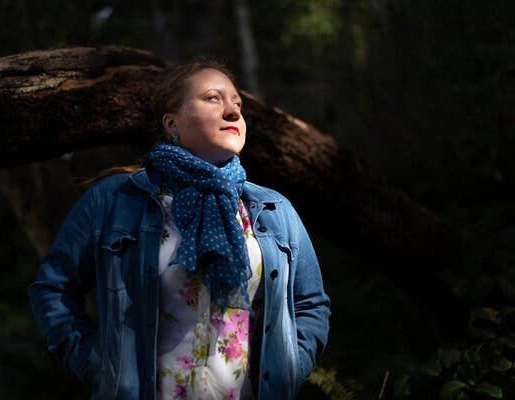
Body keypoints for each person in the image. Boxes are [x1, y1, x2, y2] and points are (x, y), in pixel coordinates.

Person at [28, 60, 331, 400]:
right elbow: (53, 288)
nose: (233, 111)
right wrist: (97, 364)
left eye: (238, 104)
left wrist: (290, 368)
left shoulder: (275, 212)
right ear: (172, 122)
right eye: (214, 98)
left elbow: (311, 306)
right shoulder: (114, 201)